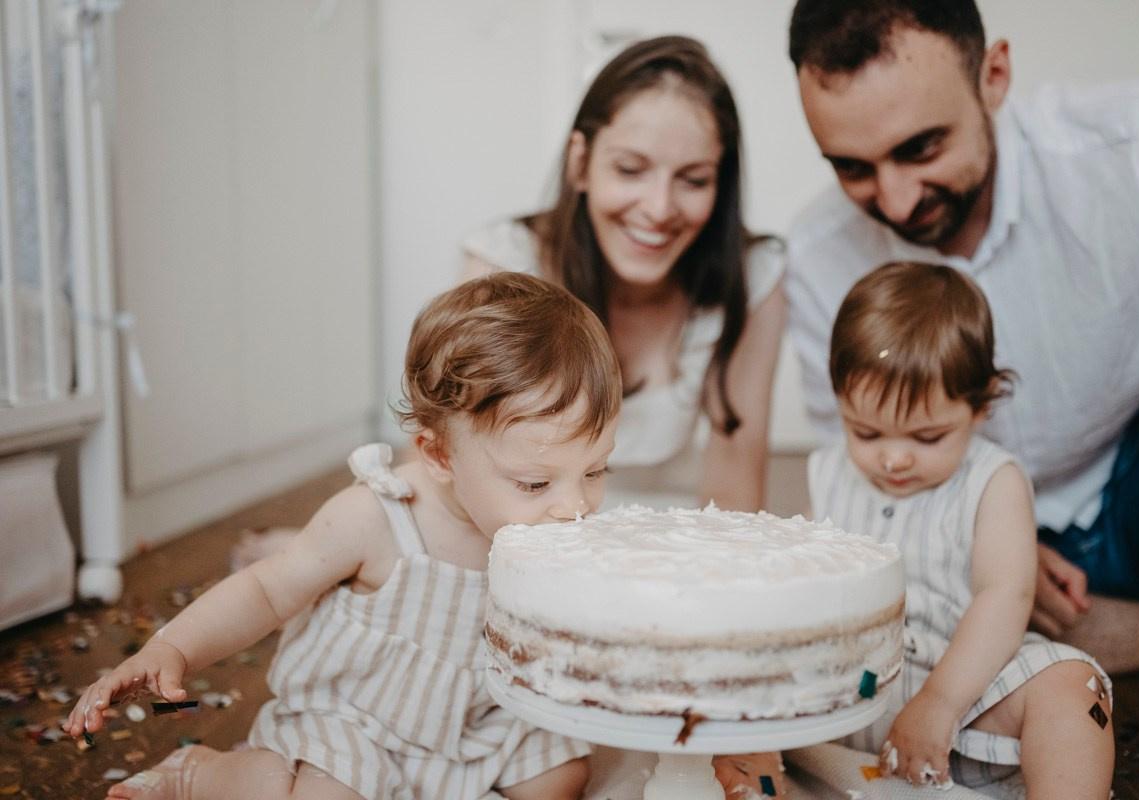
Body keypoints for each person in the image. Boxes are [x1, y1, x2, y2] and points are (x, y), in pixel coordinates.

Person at [63, 272, 623, 800]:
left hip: (478, 720)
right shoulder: (377, 517)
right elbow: (265, 591)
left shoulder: (553, 526)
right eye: (534, 482)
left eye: (596, 471)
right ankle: (199, 773)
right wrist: (172, 648)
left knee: (563, 776)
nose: (574, 507)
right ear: (439, 454)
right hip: (356, 723)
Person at [784, 0, 1139, 675]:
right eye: (852, 168)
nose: (894, 201)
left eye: (921, 148)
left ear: (994, 76)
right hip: (977, 532)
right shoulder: (817, 252)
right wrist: (994, 540)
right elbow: (858, 462)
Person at [804, 261, 1113, 796]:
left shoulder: (994, 481)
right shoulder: (827, 472)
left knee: (1073, 687)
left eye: (926, 437)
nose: (894, 458)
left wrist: (941, 702)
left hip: (966, 685)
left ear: (981, 406)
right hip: (859, 690)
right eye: (866, 431)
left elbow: (1005, 597)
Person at [462, 35, 786, 513]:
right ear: (580, 163)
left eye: (694, 180)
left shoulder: (753, 277)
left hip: (674, 545)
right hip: (532, 540)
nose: (659, 209)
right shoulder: (503, 264)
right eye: (631, 169)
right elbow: (452, 475)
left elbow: (735, 493)